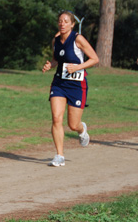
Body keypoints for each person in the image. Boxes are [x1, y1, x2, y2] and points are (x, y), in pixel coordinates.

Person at [42, 10, 99, 167]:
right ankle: (59, 155)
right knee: (56, 118)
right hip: (59, 83)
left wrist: (78, 67)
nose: (62, 24)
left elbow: (95, 59)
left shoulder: (77, 39)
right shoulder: (56, 41)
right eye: (60, 21)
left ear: (72, 24)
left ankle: (82, 130)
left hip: (76, 85)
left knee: (72, 124)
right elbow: (56, 60)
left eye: (66, 21)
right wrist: (50, 65)